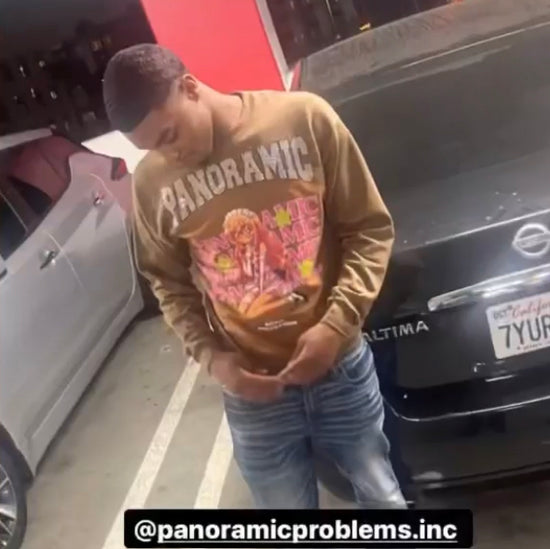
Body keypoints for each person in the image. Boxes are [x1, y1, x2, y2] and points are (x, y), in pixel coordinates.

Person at [102, 43, 406, 509]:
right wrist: (215, 360)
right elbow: (168, 282)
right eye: (152, 149)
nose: (170, 155)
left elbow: (368, 229)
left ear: (190, 87)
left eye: (170, 135)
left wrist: (336, 325)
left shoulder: (304, 120)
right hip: (253, 393)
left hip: (340, 368)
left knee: (383, 501)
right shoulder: (151, 182)